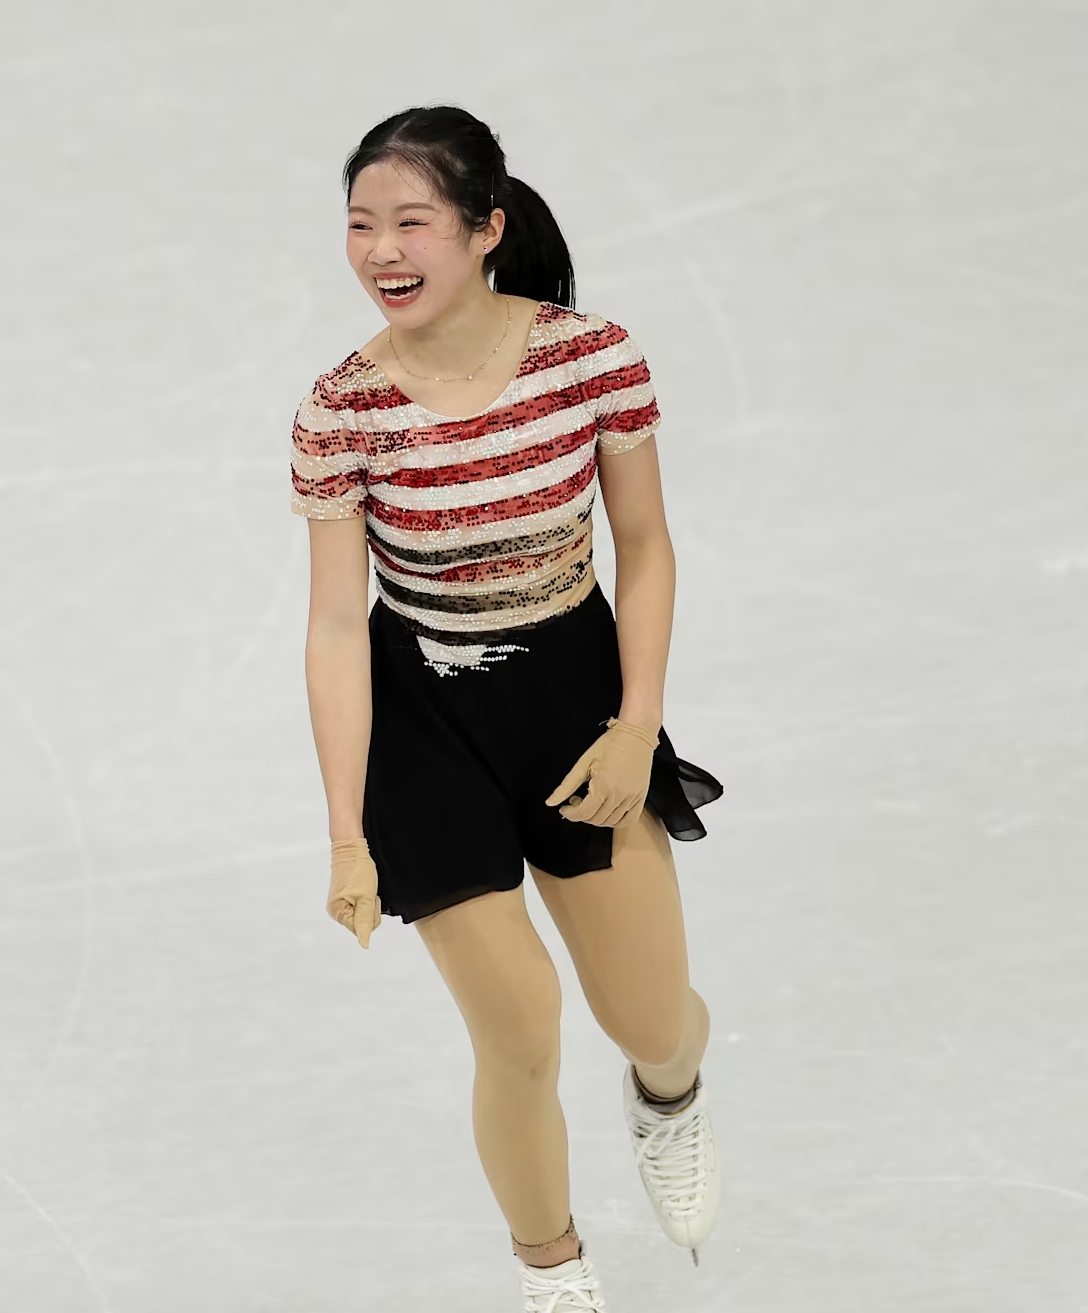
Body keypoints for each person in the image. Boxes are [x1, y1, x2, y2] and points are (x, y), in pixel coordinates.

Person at [290, 106, 726, 1311]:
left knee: (647, 1015)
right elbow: (334, 625)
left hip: (576, 699)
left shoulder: (592, 356)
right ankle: (554, 1272)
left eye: (411, 222)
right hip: (421, 720)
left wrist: (636, 723)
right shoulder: (340, 410)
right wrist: (344, 834)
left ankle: (673, 1096)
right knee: (519, 1025)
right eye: (360, 224)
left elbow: (643, 542)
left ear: (485, 230)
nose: (381, 248)